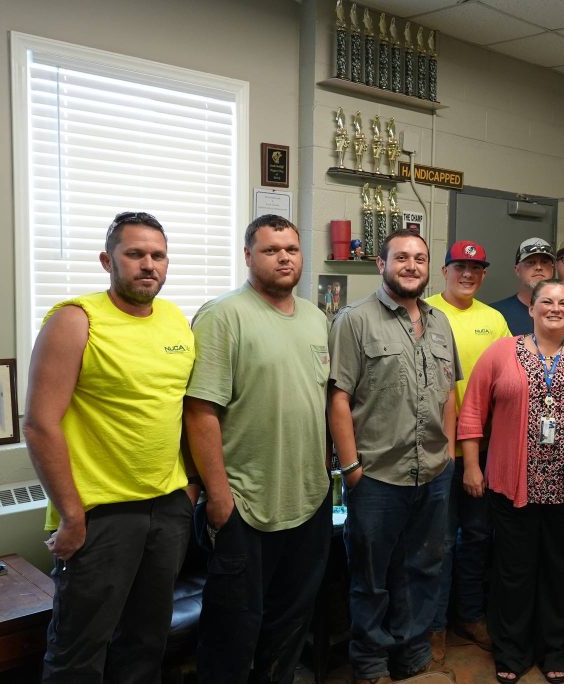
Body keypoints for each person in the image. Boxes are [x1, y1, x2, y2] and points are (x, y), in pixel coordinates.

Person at [25, 211, 196, 682]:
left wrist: (189, 489)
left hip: (167, 509)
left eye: (158, 255)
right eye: (135, 254)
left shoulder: (176, 319)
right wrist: (72, 515)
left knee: (146, 643)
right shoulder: (75, 320)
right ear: (108, 260)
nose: (148, 265)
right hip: (100, 514)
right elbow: (39, 425)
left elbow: (180, 411)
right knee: (79, 650)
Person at [459, 279, 564, 684]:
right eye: (547, 302)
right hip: (511, 487)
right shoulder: (502, 352)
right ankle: (512, 651)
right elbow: (472, 413)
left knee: (563, 572)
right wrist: (472, 466)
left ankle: (558, 649)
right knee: (513, 573)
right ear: (532, 308)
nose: (555, 308)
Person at [184, 214, 332, 683]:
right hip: (245, 503)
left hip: (309, 499)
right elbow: (199, 412)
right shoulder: (222, 315)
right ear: (248, 256)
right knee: (232, 631)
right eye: (271, 250)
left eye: (291, 248)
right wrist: (219, 495)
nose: (284, 257)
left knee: (291, 624)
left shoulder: (314, 317)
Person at [329, 229, 461, 684]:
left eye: (420, 259)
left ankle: (412, 655)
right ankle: (370, 664)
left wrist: (448, 454)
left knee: (424, 568)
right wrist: (351, 469)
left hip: (434, 473)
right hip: (378, 477)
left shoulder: (440, 322)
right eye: (400, 257)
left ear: (429, 267)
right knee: (372, 576)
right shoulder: (354, 320)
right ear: (380, 265)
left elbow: (449, 393)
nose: (411, 266)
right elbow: (339, 398)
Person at [427, 240, 511, 662]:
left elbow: (510, 378)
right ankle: (434, 626)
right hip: (435, 451)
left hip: (484, 450)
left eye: (476, 268)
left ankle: (471, 615)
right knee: (438, 542)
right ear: (444, 270)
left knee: (477, 537)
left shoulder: (494, 319)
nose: (468, 274)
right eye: (460, 266)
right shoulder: (424, 312)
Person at [491, 237, 564, 335]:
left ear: (552, 268)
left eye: (544, 262)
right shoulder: (495, 314)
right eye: (531, 262)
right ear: (517, 270)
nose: (538, 267)